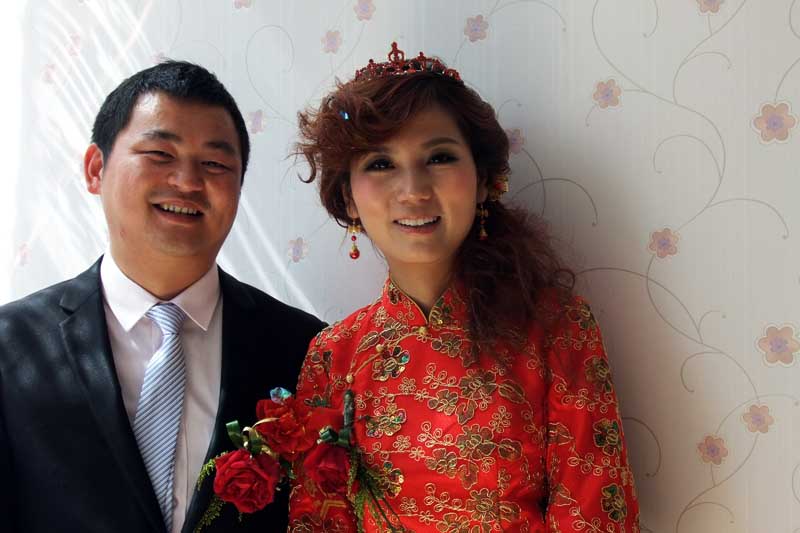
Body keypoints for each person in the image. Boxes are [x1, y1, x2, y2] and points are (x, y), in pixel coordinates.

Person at [288, 43, 640, 532]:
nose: (413, 190)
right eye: (380, 164)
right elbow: (318, 518)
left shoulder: (557, 328)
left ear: (484, 181)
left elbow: (595, 516)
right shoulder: (333, 356)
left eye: (439, 157)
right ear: (348, 197)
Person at [0, 61, 324, 533]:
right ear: (96, 169)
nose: (188, 182)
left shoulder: (306, 349)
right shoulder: (12, 346)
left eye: (214, 164)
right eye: (159, 154)